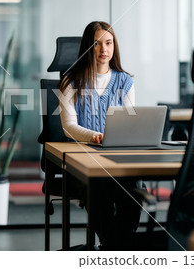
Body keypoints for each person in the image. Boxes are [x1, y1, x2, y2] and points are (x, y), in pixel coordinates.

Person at [59, 21, 142, 250]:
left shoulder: (125, 81)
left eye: (108, 43)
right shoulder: (71, 80)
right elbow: (68, 126)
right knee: (100, 189)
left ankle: (112, 249)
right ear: (88, 47)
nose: (104, 49)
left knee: (135, 188)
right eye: (97, 44)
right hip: (83, 159)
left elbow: (129, 123)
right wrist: (95, 136)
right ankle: (116, 249)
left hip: (116, 157)